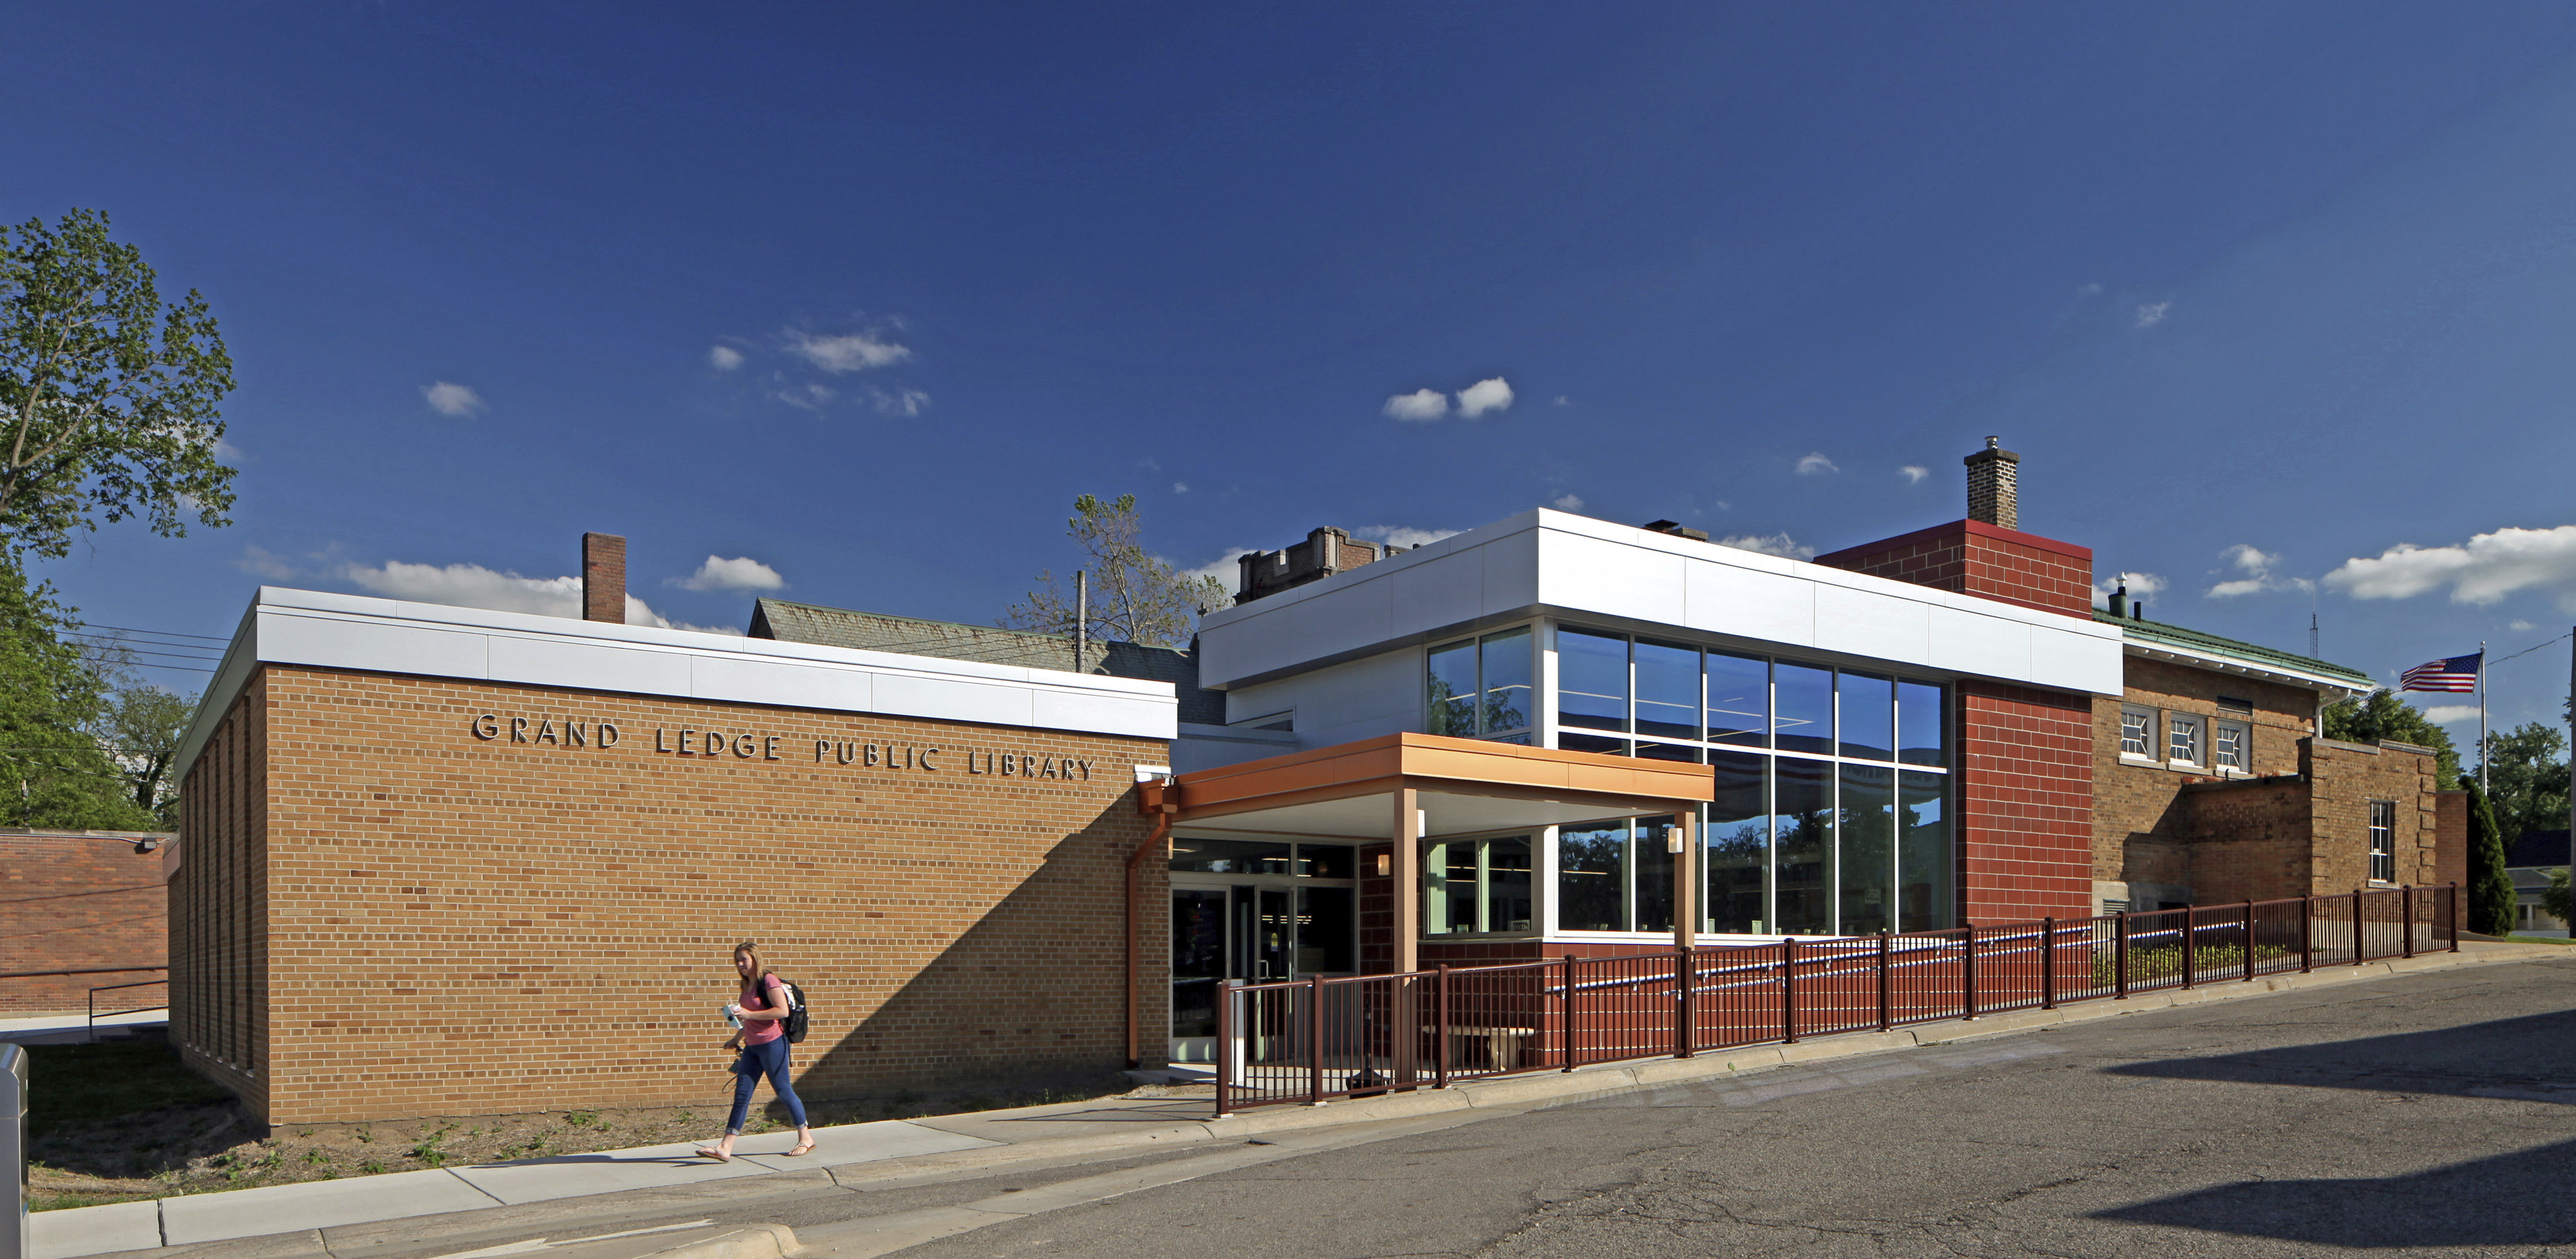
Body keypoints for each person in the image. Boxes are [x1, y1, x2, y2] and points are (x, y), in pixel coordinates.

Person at [694, 940, 815, 1160]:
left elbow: (782, 1011)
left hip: (773, 1044)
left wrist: (748, 1014)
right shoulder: (746, 986)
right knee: (742, 1095)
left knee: (784, 1091)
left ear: (754, 959)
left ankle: (805, 1137)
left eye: (744, 960)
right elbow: (747, 1019)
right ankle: (725, 1147)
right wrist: (736, 1037)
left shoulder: (768, 980)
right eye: (738, 961)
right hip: (752, 1047)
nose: (741, 964)